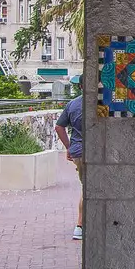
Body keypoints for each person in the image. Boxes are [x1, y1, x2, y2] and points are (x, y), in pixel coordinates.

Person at [56, 92, 84, 240]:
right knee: (89, 188)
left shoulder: (72, 104)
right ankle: (80, 225)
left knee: (86, 186)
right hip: (96, 151)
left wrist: (69, 147)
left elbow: (59, 127)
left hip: (78, 152)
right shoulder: (103, 102)